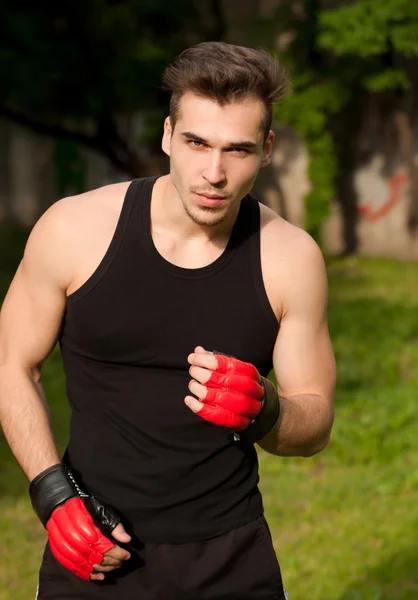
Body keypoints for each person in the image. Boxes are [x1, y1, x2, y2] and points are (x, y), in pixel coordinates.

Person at [0, 41, 336, 599]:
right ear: (166, 136)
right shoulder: (73, 230)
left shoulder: (290, 258)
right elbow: (12, 362)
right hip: (93, 549)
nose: (214, 172)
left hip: (230, 558)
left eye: (239, 150)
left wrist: (266, 410)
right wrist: (53, 494)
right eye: (196, 142)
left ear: (268, 149)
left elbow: (316, 420)